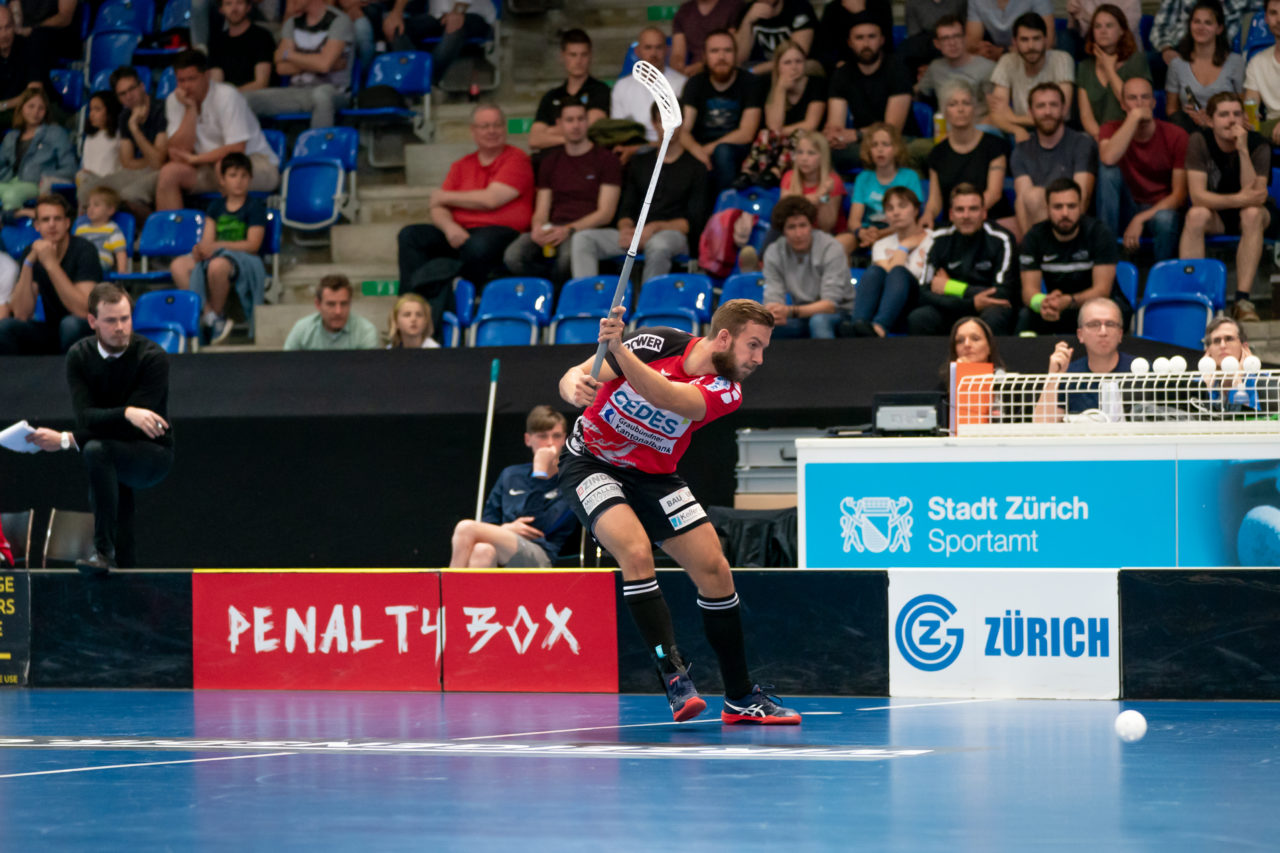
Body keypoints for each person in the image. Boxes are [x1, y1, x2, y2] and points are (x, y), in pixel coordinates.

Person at [557, 298, 801, 725]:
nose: (759, 359)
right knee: (634, 552)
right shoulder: (660, 341)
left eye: (763, 349)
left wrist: (619, 350)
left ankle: (741, 697)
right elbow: (576, 375)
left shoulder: (727, 390)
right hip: (590, 462)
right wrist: (574, 385)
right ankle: (672, 672)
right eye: (753, 346)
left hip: (654, 478)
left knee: (715, 569)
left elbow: (667, 396)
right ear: (724, 338)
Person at [23, 283, 174, 574]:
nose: (120, 327)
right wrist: (128, 412)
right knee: (101, 457)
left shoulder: (152, 357)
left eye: (125, 318)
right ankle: (119, 572)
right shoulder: (79, 356)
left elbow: (136, 431)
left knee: (96, 450)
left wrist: (67, 440)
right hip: (109, 450)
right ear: (92, 321)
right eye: (111, 320)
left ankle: (102, 552)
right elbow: (87, 418)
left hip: (152, 454)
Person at [396, 103, 533, 310]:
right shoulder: (461, 165)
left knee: (478, 246)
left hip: (500, 234)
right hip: (460, 234)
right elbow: (437, 206)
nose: (492, 131)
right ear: (473, 131)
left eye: (497, 125)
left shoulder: (517, 159)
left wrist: (446, 196)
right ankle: (411, 304)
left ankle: (449, 295)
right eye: (485, 126)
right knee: (410, 235)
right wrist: (449, 227)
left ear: (505, 128)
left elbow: (491, 200)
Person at [572, 102, 710, 285]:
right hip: (635, 234)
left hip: (673, 235)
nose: (669, 127)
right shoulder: (639, 163)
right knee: (583, 239)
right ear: (654, 123)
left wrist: (653, 229)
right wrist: (626, 229)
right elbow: (626, 208)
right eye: (663, 121)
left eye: (674, 121)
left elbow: (692, 223)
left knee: (658, 245)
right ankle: (587, 306)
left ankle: (647, 308)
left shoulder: (696, 168)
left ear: (682, 123)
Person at [502, 102, 622, 283]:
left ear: (587, 122)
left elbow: (605, 214)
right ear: (559, 124)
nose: (575, 125)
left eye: (580, 119)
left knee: (567, 258)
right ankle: (544, 297)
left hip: (585, 231)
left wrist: (568, 230)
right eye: (569, 120)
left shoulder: (607, 160)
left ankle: (560, 303)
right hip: (553, 228)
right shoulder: (550, 161)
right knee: (513, 255)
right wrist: (538, 228)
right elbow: (542, 208)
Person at [1180, 92, 1272, 322]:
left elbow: (1255, 196)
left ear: (1244, 118)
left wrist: (1242, 149)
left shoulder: (1258, 143)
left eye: (1236, 114)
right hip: (1216, 213)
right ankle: (1194, 298)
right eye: (1223, 114)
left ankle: (1242, 300)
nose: (1231, 120)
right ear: (1210, 121)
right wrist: (1242, 199)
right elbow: (1198, 196)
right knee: (1195, 214)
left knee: (1251, 213)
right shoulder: (1199, 140)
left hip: (1255, 217)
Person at [450, 406, 575, 569]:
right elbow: (489, 521)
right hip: (504, 549)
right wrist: (506, 529)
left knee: (465, 528)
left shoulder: (571, 482)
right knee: (482, 550)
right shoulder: (510, 475)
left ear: (565, 439)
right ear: (528, 439)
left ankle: (444, 592)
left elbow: (536, 528)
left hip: (542, 556)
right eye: (543, 436)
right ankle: (469, 595)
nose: (550, 443)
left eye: (557, 436)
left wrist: (540, 472)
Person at [155, 50, 281, 211]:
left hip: (255, 164)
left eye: (192, 79)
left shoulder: (227, 95)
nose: (186, 86)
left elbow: (237, 150)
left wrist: (195, 160)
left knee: (226, 168)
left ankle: (229, 232)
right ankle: (172, 233)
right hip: (209, 165)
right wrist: (190, 109)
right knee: (168, 173)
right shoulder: (175, 100)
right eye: (181, 80)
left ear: (207, 75)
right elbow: (178, 152)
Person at [170, 152, 267, 345]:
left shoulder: (255, 207)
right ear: (222, 180)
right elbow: (207, 240)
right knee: (179, 265)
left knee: (217, 266)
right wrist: (200, 250)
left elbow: (253, 245)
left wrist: (218, 247)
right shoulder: (215, 207)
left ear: (250, 179)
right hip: (216, 254)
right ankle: (210, 317)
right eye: (233, 175)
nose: (238, 181)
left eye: (243, 176)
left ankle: (217, 314)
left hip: (243, 259)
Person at [907, 182, 1018, 334]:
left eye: (973, 209)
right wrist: (970, 303)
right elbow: (924, 293)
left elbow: (1003, 292)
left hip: (987, 309)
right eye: (960, 210)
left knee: (996, 314)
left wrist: (950, 286)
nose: (966, 216)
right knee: (919, 318)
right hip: (953, 307)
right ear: (951, 214)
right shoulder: (939, 238)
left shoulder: (1001, 239)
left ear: (984, 213)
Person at [1098, 76, 1188, 260]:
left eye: (1145, 97)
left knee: (1166, 219)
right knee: (1108, 171)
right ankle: (1106, 260)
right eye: (1132, 98)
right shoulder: (1109, 129)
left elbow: (1179, 195)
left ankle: (1162, 280)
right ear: (1122, 104)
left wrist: (1140, 219)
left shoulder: (1176, 135)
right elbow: (1108, 158)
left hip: (1159, 209)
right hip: (1124, 206)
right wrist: (1135, 118)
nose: (1139, 103)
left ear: (1154, 102)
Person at [0, 194, 102, 354]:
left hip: (87, 329)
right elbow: (21, 314)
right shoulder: (31, 251)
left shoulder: (84, 250)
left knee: (70, 325)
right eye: (46, 220)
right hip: (53, 330)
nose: (52, 225)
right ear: (37, 226)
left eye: (58, 219)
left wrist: (51, 264)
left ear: (67, 223)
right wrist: (28, 264)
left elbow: (83, 310)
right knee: (5, 328)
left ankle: (70, 376)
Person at [1018, 178, 1121, 335]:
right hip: (1058, 307)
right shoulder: (1034, 237)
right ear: (1047, 209)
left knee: (1106, 313)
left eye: (1071, 206)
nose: (1065, 213)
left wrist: (1070, 301)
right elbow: (1028, 291)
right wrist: (1043, 303)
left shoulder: (1100, 233)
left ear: (1081, 207)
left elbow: (1102, 290)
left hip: (1095, 305)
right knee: (1025, 316)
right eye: (1058, 207)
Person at [244, 0, 353, 130]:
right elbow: (282, 68)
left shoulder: (340, 21)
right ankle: (254, 149)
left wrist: (288, 55)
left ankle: (316, 148)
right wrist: (317, 60)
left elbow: (324, 65)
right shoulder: (292, 23)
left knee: (321, 95)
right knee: (245, 99)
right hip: (297, 91)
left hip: (334, 91)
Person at [823, 21, 915, 174]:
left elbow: (891, 129)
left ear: (882, 40)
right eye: (859, 38)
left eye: (871, 36)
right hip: (862, 144)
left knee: (891, 152)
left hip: (899, 142)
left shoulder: (898, 69)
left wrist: (856, 134)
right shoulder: (842, 74)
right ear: (850, 43)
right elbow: (835, 126)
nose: (866, 43)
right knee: (822, 153)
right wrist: (835, 137)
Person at [922, 80, 1015, 230]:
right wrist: (928, 214)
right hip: (954, 224)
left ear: (975, 108)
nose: (960, 109)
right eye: (953, 104)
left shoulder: (995, 145)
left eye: (966, 103)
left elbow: (994, 193)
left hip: (991, 220)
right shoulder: (937, 153)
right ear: (944, 112)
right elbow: (934, 201)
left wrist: (968, 216)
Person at [680, 29, 765, 193]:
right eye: (714, 51)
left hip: (738, 151)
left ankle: (725, 209)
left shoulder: (750, 82)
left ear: (736, 54)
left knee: (723, 151)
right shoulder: (695, 83)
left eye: (727, 50)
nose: (721, 57)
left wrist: (706, 150)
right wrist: (697, 150)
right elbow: (683, 129)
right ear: (704, 57)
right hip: (701, 148)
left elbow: (746, 133)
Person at [733, 40, 825, 189]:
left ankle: (776, 172)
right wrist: (781, 89)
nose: (794, 67)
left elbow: (810, 124)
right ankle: (749, 172)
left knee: (799, 134)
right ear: (778, 66)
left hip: (806, 140)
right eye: (787, 63)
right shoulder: (770, 86)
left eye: (798, 61)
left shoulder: (816, 84)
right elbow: (773, 126)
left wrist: (782, 132)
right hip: (779, 141)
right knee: (765, 134)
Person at [1011, 82, 1100, 234]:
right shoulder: (1021, 150)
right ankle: (1035, 254)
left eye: (1053, 105)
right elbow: (1023, 202)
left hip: (1075, 226)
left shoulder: (1082, 143)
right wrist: (1029, 243)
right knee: (1031, 197)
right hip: (1036, 227)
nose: (1047, 112)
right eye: (1041, 106)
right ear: (1030, 112)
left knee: (1051, 199)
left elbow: (1082, 199)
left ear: (1064, 109)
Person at [761, 195, 852, 338]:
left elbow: (830, 304)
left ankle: (828, 361)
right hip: (801, 315)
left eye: (803, 225)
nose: (798, 234)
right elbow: (773, 295)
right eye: (791, 227)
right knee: (764, 328)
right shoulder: (774, 251)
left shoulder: (831, 247)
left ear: (811, 225)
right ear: (783, 230)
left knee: (818, 321)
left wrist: (790, 311)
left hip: (839, 314)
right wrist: (774, 312)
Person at [849, 186, 934, 336]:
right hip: (890, 304)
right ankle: (858, 324)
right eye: (889, 208)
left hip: (919, 302)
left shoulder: (934, 239)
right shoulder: (881, 244)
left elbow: (898, 274)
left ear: (915, 210)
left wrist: (904, 246)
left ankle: (880, 327)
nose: (896, 212)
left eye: (902, 206)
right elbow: (888, 279)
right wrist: (905, 246)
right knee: (875, 271)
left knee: (899, 272)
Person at [1034, 296, 1134, 422]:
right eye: (1094, 324)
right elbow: (1041, 427)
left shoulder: (1142, 372)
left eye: (1110, 324)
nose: (1103, 332)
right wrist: (1053, 377)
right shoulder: (1068, 376)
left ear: (1120, 334)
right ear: (1080, 335)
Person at [988, 13, 1076, 142]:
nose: (1031, 46)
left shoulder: (1062, 59)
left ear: (1046, 40)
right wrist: (1017, 129)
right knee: (991, 133)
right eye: (1024, 40)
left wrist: (1013, 118)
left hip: (1056, 130)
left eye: (1036, 39)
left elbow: (1061, 113)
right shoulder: (1007, 61)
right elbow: (996, 114)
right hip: (1021, 131)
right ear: (1015, 42)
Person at [1166, 1, 1245, 134]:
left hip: (1225, 129)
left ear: (1219, 28)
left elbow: (1244, 107)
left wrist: (1212, 120)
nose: (1201, 27)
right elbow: (1171, 110)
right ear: (1190, 25)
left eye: (1208, 23)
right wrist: (1191, 117)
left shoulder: (1235, 62)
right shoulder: (1177, 64)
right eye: (1196, 22)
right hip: (1189, 130)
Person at [528, 29, 611, 154]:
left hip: (590, 161)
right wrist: (571, 139)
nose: (578, 61)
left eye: (584, 55)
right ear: (563, 56)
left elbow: (592, 125)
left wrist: (549, 131)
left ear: (590, 56)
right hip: (554, 164)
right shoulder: (551, 96)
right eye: (573, 55)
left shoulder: (601, 90)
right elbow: (534, 140)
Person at [612, 26, 688, 160]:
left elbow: (684, 132)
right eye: (648, 47)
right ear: (638, 51)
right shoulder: (621, 86)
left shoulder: (682, 83)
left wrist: (642, 148)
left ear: (667, 50)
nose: (653, 53)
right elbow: (618, 132)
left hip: (673, 151)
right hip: (633, 154)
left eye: (658, 47)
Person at [1077, 4, 1152, 139]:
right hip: (1096, 138)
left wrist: (1109, 70)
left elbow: (1134, 105)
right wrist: (1101, 138)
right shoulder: (1084, 67)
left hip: (1132, 135)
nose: (1103, 31)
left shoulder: (1136, 61)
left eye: (1109, 26)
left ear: (1122, 30)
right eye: (1098, 26)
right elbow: (1086, 116)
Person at [847, 122, 925, 251]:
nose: (880, 149)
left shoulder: (910, 177)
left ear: (896, 148)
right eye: (874, 145)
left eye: (885, 144)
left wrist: (881, 234)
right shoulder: (863, 177)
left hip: (899, 231)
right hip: (868, 232)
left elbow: (912, 217)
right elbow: (853, 220)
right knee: (841, 243)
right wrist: (861, 233)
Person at [380, 0, 496, 85]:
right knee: (395, 28)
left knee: (455, 25)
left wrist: (457, 12)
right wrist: (396, 13)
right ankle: (416, 77)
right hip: (438, 17)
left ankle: (425, 80)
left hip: (475, 16)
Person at [0, 88, 74, 211]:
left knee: (11, 196)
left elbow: (69, 167)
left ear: (46, 111)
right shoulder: (11, 136)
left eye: (41, 108)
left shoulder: (56, 133)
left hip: (34, 183)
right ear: (22, 107)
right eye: (31, 106)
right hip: (9, 181)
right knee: (9, 192)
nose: (35, 112)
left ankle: (14, 223)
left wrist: (46, 179)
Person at [917, 14, 998, 118]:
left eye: (957, 36)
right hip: (944, 130)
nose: (952, 43)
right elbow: (917, 93)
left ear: (965, 38)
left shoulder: (987, 68)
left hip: (979, 129)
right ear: (937, 44)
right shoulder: (935, 68)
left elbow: (996, 112)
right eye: (945, 38)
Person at [778, 129, 844, 241]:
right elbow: (784, 214)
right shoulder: (789, 176)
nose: (804, 159)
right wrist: (817, 196)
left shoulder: (832, 181)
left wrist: (824, 196)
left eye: (811, 153)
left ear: (822, 157)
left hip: (825, 235)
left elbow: (826, 225)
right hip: (796, 233)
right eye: (800, 152)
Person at [1152, 0, 1257, 70]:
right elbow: (1161, 26)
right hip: (1178, 50)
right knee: (1141, 60)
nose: (1201, 26)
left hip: (1224, 52)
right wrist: (1166, 49)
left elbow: (1268, 15)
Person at [284, 274, 380, 350]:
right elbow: (286, 366)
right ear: (318, 304)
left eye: (343, 304)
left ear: (350, 303)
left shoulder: (365, 332)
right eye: (331, 304)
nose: (338, 311)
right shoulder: (302, 330)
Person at [0, 5, 53, 130]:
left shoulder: (30, 47)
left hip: (32, 110)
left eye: (8, 27)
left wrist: (4, 105)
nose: (4, 34)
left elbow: (34, 93)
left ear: (14, 27)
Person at [208, 0, 276, 93]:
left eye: (239, 3)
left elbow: (261, 83)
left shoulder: (262, 36)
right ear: (221, 9)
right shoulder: (216, 41)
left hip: (256, 97)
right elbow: (217, 80)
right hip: (227, 100)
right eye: (228, 4)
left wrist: (231, 96)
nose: (234, 9)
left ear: (248, 7)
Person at [735, 0, 816, 73]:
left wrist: (754, 71)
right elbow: (739, 58)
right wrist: (748, 21)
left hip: (795, 69)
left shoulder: (799, 8)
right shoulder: (748, 10)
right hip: (759, 69)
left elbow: (797, 58)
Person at [815, 0, 896, 72]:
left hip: (877, 66)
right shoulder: (832, 9)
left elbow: (887, 46)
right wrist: (837, 64)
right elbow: (823, 50)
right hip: (843, 69)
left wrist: (860, 13)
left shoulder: (881, 5)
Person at [672, 0, 747, 76]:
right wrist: (679, 68)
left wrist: (701, 66)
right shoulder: (684, 10)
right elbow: (677, 53)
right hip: (693, 74)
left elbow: (731, 49)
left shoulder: (734, 5)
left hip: (724, 70)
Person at [967, 0, 1055, 60]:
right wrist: (985, 50)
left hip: (1031, 53)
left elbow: (1048, 41)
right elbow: (972, 41)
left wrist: (1002, 52)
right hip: (994, 54)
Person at [1244, 0, 1280, 146]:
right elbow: (1251, 103)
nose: (1279, 19)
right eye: (1273, 13)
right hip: (1270, 129)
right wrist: (1250, 116)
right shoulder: (1257, 62)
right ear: (1265, 18)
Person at [77, 92, 123, 200]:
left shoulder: (118, 136)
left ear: (109, 111)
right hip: (89, 182)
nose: (92, 114)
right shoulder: (89, 138)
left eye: (97, 110)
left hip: (110, 183)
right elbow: (86, 166)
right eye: (91, 110)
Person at [74, 187, 129, 276]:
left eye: (96, 205)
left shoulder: (112, 229)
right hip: (80, 262)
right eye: (88, 205)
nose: (90, 208)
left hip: (101, 261)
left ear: (110, 210)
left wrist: (122, 271)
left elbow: (120, 252)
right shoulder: (80, 229)